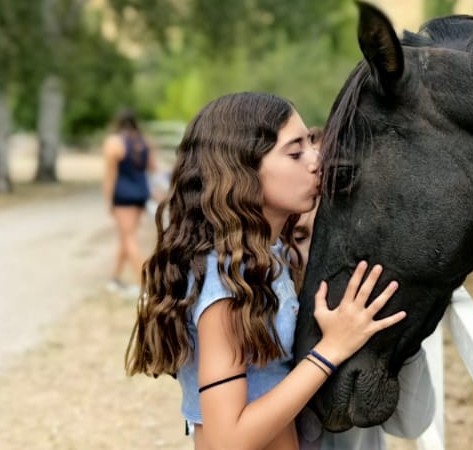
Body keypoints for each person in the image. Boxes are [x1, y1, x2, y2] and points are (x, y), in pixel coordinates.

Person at [125, 92, 408, 450]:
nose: (317, 160)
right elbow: (228, 439)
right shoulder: (224, 279)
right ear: (243, 170)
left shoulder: (264, 258)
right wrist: (331, 350)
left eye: (310, 144)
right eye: (295, 152)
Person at [292, 124, 435, 450]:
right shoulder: (263, 315)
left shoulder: (364, 315)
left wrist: (402, 336)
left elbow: (411, 422)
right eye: (299, 237)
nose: (319, 258)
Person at [102, 107, 157, 294]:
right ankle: (114, 278)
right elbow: (152, 167)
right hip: (141, 194)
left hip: (123, 196)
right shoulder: (144, 142)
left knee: (129, 239)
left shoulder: (114, 143)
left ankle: (146, 285)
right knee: (126, 237)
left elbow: (110, 175)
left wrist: (108, 200)